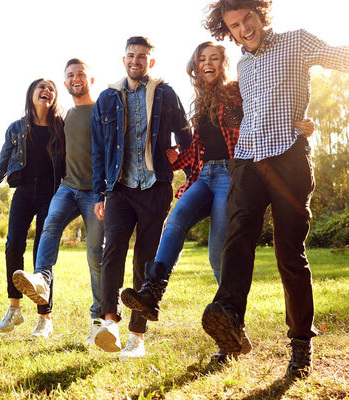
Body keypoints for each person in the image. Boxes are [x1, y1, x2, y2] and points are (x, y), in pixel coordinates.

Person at [199, 0, 349, 378]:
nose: (245, 29)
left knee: (289, 253)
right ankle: (229, 322)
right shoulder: (242, 65)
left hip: (288, 157)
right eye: (235, 25)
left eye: (248, 19)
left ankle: (300, 345)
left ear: (261, 15)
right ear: (228, 31)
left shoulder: (297, 41)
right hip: (248, 159)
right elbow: (251, 110)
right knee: (237, 236)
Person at [120, 42, 313, 327]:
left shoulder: (238, 91)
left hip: (231, 175)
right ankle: (152, 292)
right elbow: (199, 148)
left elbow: (263, 113)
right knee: (174, 222)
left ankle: (231, 321)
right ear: (196, 66)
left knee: (217, 255)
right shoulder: (201, 103)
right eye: (202, 59)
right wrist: (172, 156)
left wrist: (299, 123)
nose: (207, 63)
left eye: (214, 58)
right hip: (203, 177)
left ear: (223, 63)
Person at [91, 36, 192, 358]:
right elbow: (99, 151)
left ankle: (137, 337)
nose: (136, 60)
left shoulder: (164, 92)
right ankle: (109, 323)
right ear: (124, 60)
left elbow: (185, 134)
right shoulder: (107, 98)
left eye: (143, 56)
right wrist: (100, 193)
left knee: (145, 260)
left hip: (155, 185)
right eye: (131, 55)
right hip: (118, 188)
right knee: (112, 252)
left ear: (151, 61)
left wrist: (185, 166)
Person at [11, 59, 105, 343]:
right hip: (67, 187)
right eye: (70, 76)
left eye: (81, 74)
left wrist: (108, 192)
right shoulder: (65, 119)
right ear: (66, 83)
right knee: (49, 228)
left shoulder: (103, 111)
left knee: (95, 256)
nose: (76, 79)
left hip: (94, 192)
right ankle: (41, 280)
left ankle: (99, 321)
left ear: (90, 79)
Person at [0, 79, 65, 336]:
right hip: (24, 192)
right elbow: (3, 163)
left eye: (51, 88)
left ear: (55, 97)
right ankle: (14, 308)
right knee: (13, 244)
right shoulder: (17, 128)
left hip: (51, 195)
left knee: (42, 253)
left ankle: (45, 319)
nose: (46, 91)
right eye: (41, 87)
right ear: (31, 94)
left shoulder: (61, 127)